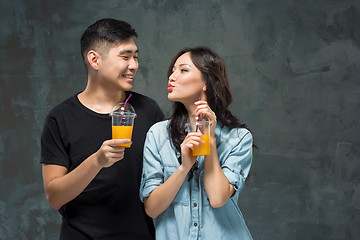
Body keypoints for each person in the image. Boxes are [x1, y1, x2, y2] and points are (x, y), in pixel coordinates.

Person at [41, 18, 164, 239]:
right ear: (94, 59)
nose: (134, 65)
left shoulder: (149, 111)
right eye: (125, 57)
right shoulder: (60, 118)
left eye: (135, 57)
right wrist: (97, 161)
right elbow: (54, 197)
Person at [140, 47, 254, 239]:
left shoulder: (238, 138)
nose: (172, 77)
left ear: (206, 83)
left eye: (183, 70)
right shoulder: (158, 135)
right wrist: (184, 168)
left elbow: (217, 198)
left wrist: (209, 141)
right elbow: (152, 209)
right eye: (172, 71)